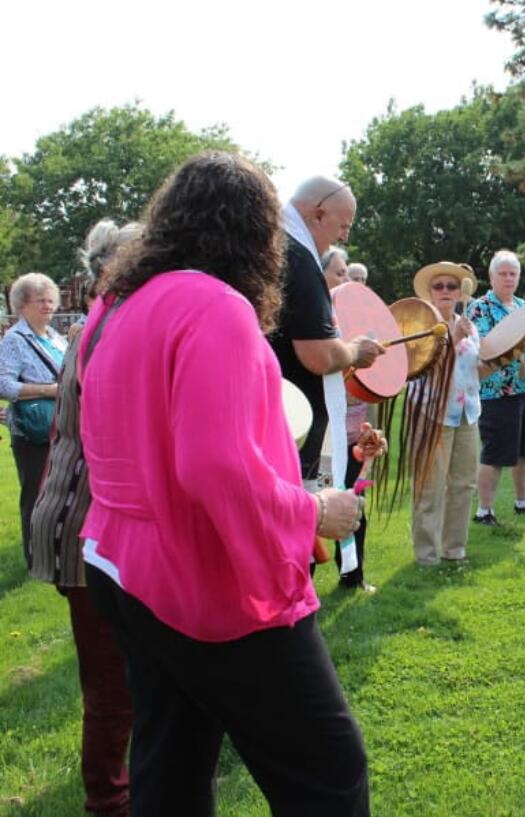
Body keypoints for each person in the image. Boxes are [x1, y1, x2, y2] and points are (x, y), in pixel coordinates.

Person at [79, 152, 369, 814]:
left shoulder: (114, 304)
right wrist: (313, 510)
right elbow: (215, 467)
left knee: (172, 761)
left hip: (121, 564)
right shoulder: (216, 306)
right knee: (329, 769)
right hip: (199, 573)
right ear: (253, 229)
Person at [28, 219, 140, 817]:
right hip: (84, 525)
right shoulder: (110, 325)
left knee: (123, 681)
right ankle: (108, 802)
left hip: (87, 520)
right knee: (110, 690)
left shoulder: (107, 319)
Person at [267, 176, 383, 484]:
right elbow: (317, 355)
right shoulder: (300, 260)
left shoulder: (274, 247)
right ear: (318, 214)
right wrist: (355, 351)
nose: (344, 238)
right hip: (290, 426)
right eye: (343, 226)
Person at [469, 250, 525, 525]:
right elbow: (483, 348)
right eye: (503, 273)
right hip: (499, 391)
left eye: (513, 274)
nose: (508, 278)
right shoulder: (481, 308)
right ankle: (485, 511)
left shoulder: (524, 307)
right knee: (495, 453)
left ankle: (523, 503)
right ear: (491, 276)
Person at [411, 262, 481, 564]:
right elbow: (421, 367)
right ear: (429, 292)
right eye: (439, 286)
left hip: (466, 412)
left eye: (452, 286)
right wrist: (452, 337)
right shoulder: (421, 325)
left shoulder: (469, 324)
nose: (446, 291)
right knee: (430, 485)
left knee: (464, 483)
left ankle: (455, 549)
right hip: (431, 412)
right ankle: (427, 555)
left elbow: (474, 367)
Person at [0, 272, 67, 557]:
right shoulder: (15, 340)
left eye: (51, 300)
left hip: (62, 428)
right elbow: (4, 384)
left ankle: (54, 548)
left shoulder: (55, 337)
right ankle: (34, 555)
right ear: (22, 305)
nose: (48, 306)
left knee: (59, 493)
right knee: (35, 496)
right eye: (40, 300)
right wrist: (48, 390)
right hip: (33, 432)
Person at [322, 246, 376, 591]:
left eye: (351, 275)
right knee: (317, 506)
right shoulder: (313, 325)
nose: (347, 283)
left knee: (354, 503)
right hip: (323, 436)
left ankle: (352, 576)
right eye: (340, 274)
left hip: (354, 432)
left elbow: (371, 383)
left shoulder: (358, 327)